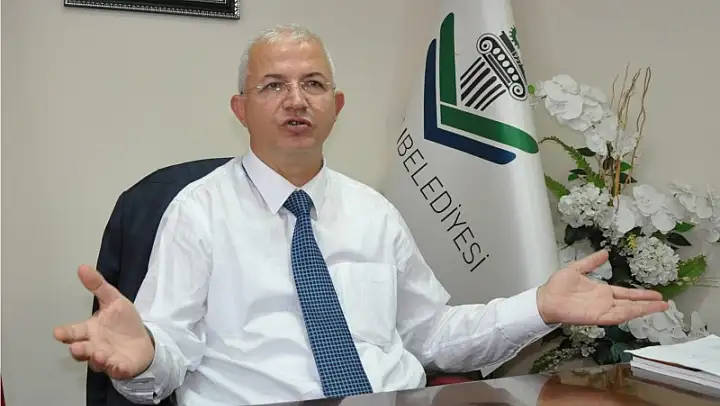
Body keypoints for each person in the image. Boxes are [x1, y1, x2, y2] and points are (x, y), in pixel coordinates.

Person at [53, 24, 669, 406]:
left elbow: (430, 336)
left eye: (313, 84)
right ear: (241, 109)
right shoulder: (196, 210)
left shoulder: (374, 212)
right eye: (273, 85)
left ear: (336, 105)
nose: (296, 100)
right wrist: (143, 357)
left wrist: (539, 306)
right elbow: (167, 356)